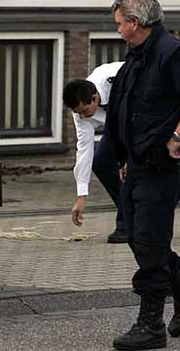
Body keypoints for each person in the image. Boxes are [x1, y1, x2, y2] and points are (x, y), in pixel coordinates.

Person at [105, 0, 180, 350]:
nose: (117, 29)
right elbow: (131, 111)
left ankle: (151, 324)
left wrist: (178, 136)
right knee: (137, 237)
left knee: (151, 242)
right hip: (136, 163)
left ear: (135, 22)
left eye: (119, 23)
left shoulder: (173, 52)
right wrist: (124, 157)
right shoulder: (136, 57)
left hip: (162, 166)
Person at [62, 62, 128, 243]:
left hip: (143, 121)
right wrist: (81, 196)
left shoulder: (119, 81)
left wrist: (128, 159)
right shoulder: (80, 111)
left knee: (132, 169)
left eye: (85, 111)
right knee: (100, 161)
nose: (83, 117)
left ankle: (127, 224)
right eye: (78, 113)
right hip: (117, 127)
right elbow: (84, 150)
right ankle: (131, 211)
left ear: (95, 98)